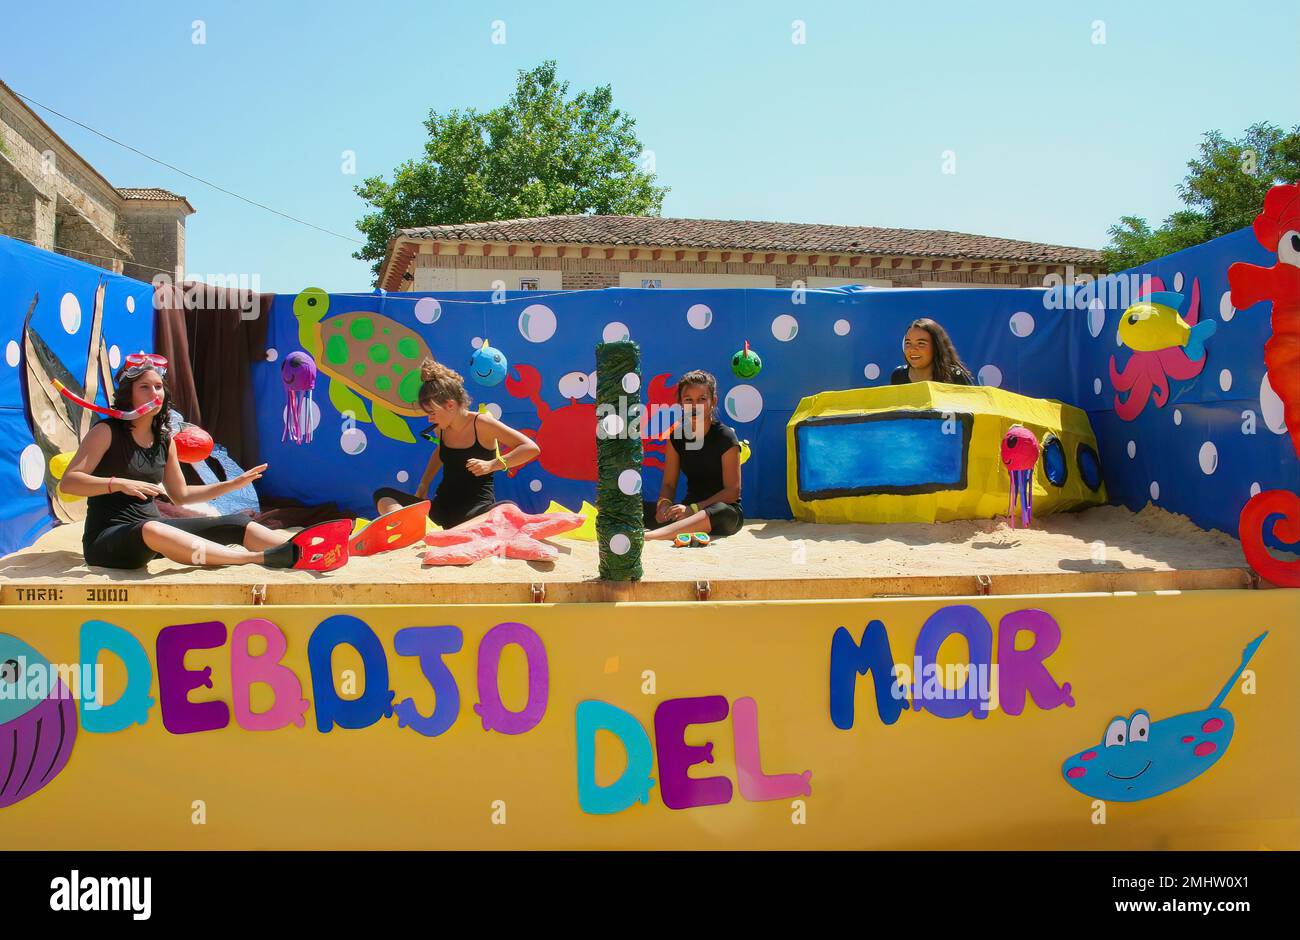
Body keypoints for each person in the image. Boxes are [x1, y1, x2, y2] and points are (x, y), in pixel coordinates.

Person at [61, 353, 303, 569]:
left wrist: (232, 484)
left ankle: (300, 549)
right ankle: (254, 559)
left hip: (154, 533)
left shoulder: (165, 440)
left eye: (158, 386)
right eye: (144, 387)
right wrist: (118, 484)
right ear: (129, 394)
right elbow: (69, 483)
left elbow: (181, 495)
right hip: (109, 540)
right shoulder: (105, 432)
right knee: (154, 528)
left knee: (237, 523)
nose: (154, 393)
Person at [372, 357, 540, 528]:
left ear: (450, 405)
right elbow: (440, 452)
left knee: (507, 508)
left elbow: (530, 448)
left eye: (432, 412)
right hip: (441, 511)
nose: (429, 418)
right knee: (383, 495)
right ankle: (407, 529)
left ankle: (447, 535)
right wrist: (423, 486)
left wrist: (493, 464)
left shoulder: (482, 424)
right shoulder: (441, 428)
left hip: (477, 513)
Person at [642, 370, 743, 541]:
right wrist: (664, 505)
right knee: (636, 507)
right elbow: (668, 484)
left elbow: (733, 492)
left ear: (713, 401)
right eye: (688, 400)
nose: (694, 406)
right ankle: (674, 527)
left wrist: (694, 509)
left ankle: (650, 536)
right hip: (687, 511)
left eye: (702, 399)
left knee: (722, 511)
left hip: (721, 513)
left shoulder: (726, 437)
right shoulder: (676, 437)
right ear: (681, 403)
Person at [890, 318, 975, 385]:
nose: (912, 349)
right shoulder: (898, 375)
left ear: (936, 346)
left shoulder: (955, 376)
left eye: (921, 343)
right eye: (908, 343)